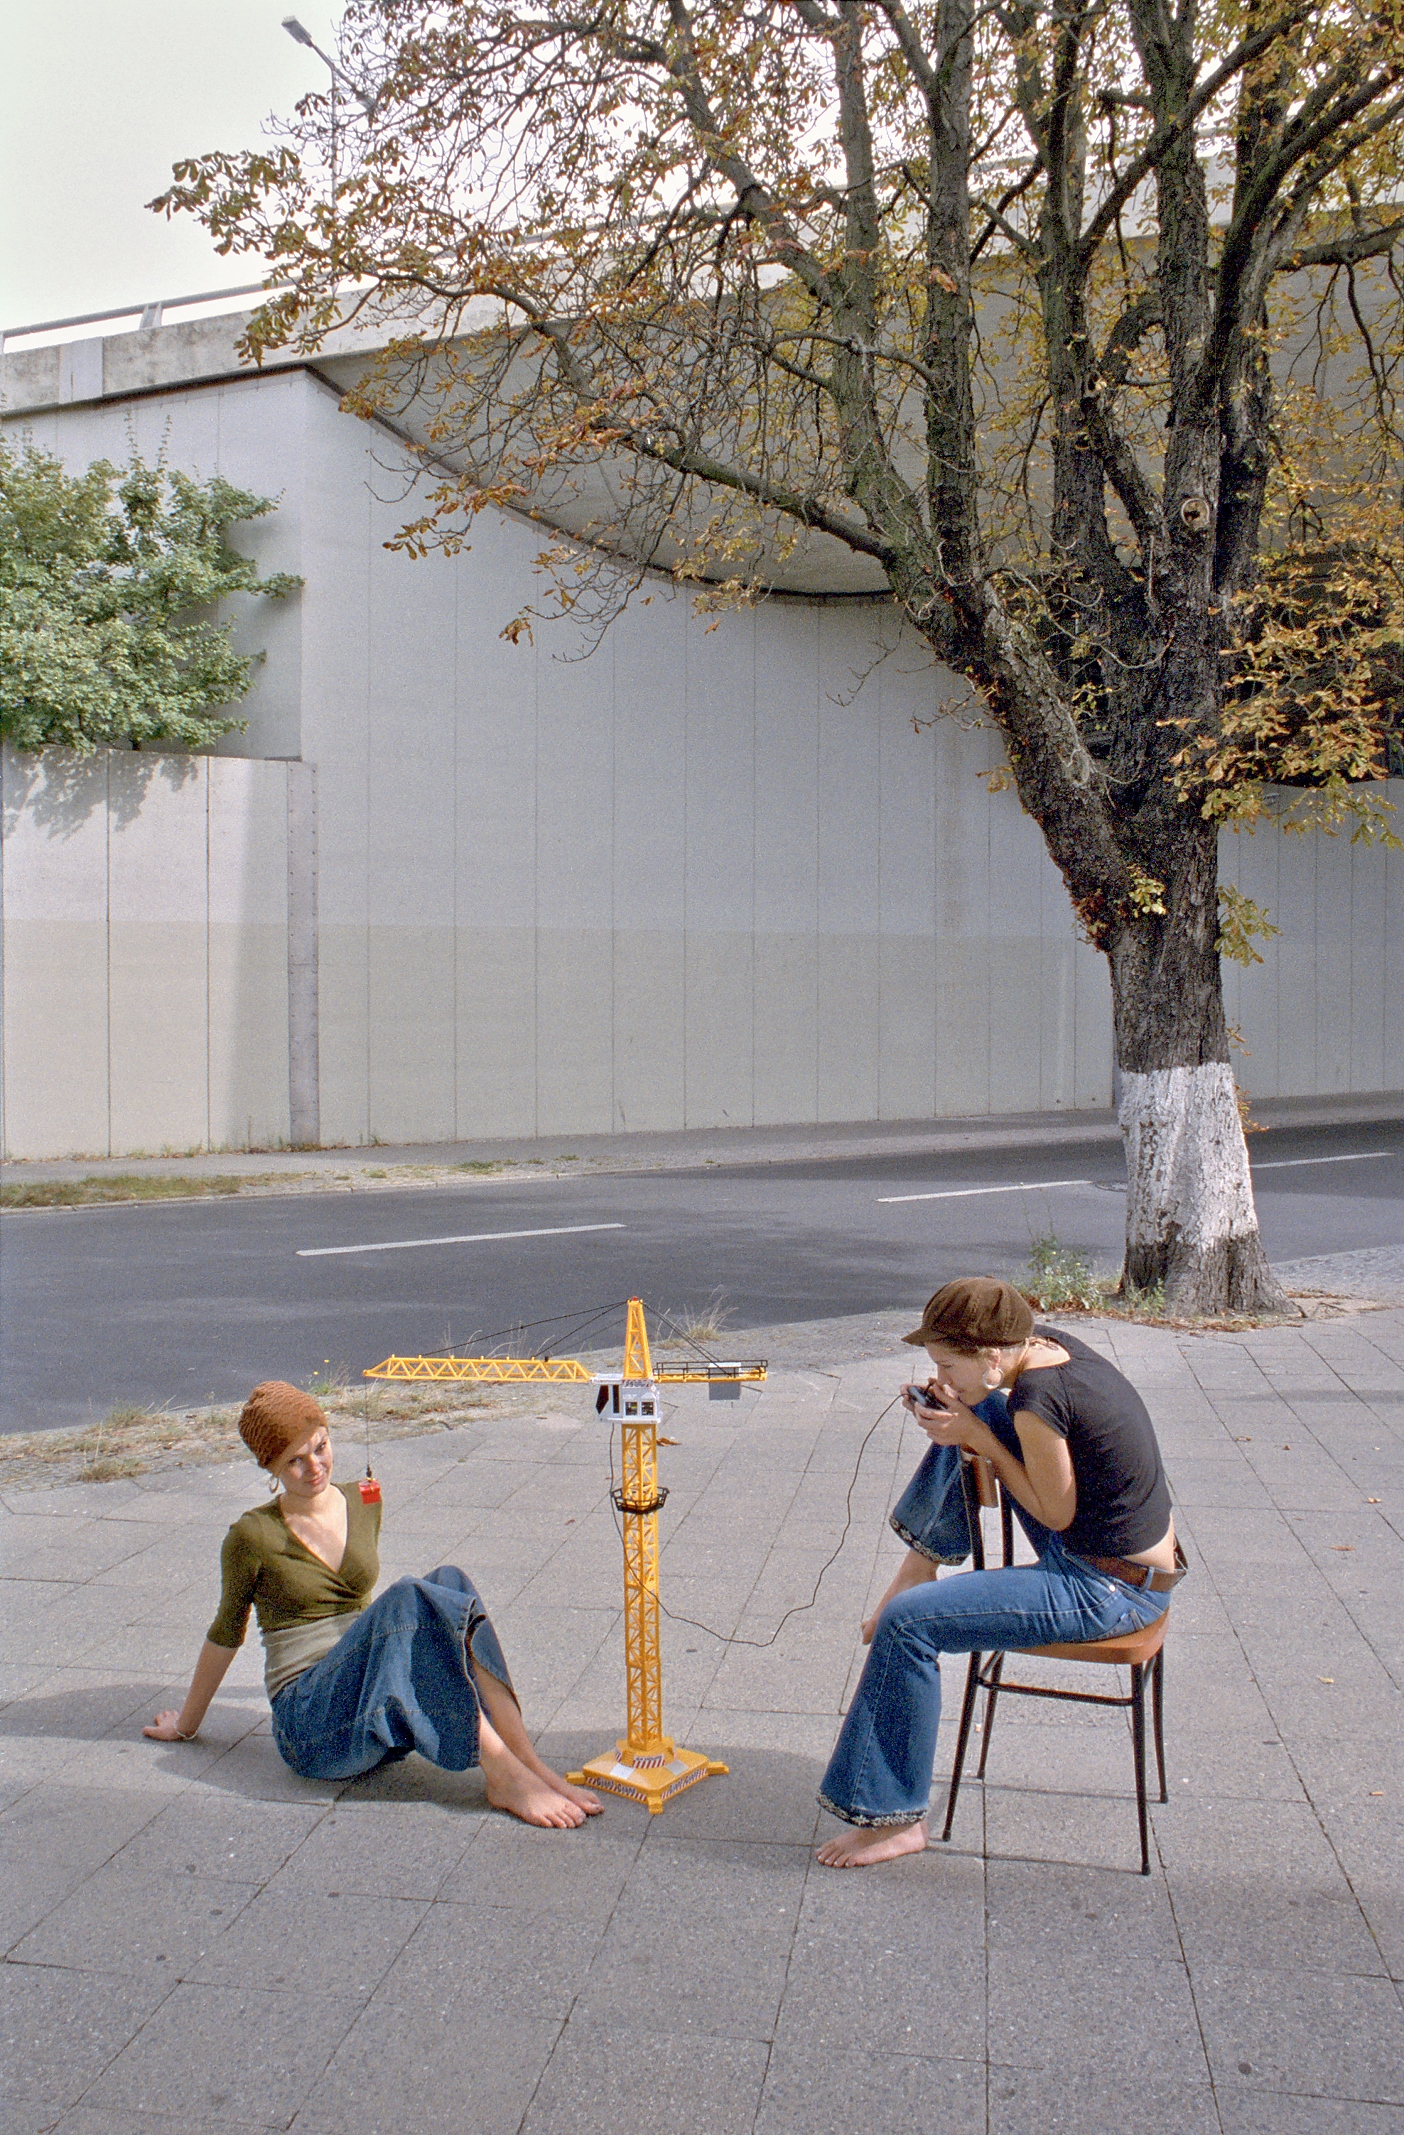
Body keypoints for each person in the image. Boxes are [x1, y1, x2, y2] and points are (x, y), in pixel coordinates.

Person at [816, 1277, 1184, 1867]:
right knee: (974, 1406)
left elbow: (1052, 1512)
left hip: (1109, 1589)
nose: (939, 1372)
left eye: (945, 1362)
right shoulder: (1042, 1349)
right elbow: (1045, 1483)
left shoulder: (1038, 1403)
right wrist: (968, 1419)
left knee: (907, 1626)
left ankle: (896, 1823)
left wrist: (980, 1438)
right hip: (1113, 1555)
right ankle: (918, 1568)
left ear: (991, 1354)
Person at [144, 1381, 602, 1829]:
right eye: (294, 1461)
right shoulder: (251, 1535)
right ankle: (503, 1774)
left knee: (450, 1582)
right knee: (408, 1597)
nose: (315, 1467)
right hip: (312, 1726)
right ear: (272, 1470)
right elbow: (227, 1630)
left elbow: (365, 1614)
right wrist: (185, 1724)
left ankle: (529, 1764)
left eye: (320, 1447)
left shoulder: (365, 1499)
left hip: (370, 1709)